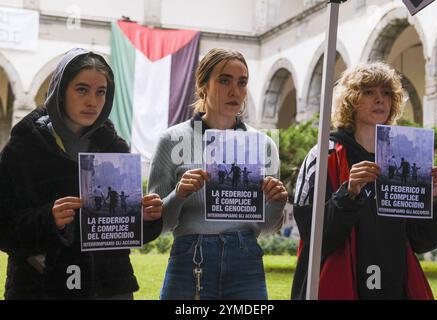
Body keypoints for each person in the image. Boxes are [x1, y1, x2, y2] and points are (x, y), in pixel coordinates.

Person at [0, 48, 163, 300]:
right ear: (60, 91)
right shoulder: (23, 149)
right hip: (42, 289)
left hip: (110, 288)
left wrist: (144, 218)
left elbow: (124, 234)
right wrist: (47, 219)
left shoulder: (115, 149)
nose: (93, 101)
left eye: (101, 92)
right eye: (82, 89)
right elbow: (4, 228)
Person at [291, 62, 437, 300]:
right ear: (351, 100)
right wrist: (349, 194)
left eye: (386, 93)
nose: (380, 99)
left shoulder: (404, 155)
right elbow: (311, 235)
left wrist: (436, 201)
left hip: (394, 283)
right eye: (369, 92)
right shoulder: (325, 153)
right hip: (339, 283)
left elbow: (422, 239)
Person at [148, 48, 288, 300]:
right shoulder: (171, 140)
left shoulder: (263, 146)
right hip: (190, 261)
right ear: (203, 85)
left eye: (242, 82)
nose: (235, 91)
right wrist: (179, 195)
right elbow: (158, 225)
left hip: (246, 262)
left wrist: (278, 203)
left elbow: (266, 228)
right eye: (224, 80)